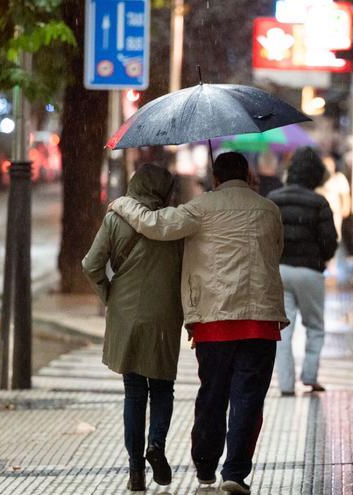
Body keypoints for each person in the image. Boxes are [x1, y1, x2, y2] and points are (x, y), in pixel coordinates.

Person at [110, 152, 288, 495]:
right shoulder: (269, 210)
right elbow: (275, 250)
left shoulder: (200, 208)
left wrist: (123, 204)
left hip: (214, 320)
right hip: (261, 322)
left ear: (215, 178)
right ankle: (234, 473)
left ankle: (205, 468)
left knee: (213, 396)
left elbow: (156, 225)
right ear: (249, 176)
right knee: (248, 399)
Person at [82, 164, 183, 492]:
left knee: (135, 392)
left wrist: (108, 293)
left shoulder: (116, 219)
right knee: (163, 388)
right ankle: (157, 443)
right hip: (165, 313)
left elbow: (91, 264)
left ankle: (135, 470)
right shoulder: (174, 223)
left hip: (126, 311)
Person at [267, 147, 338, 396]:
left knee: (283, 328)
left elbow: (266, 236)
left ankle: (286, 384)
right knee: (315, 326)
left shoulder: (273, 198)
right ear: (315, 176)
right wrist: (320, 259)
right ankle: (309, 376)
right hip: (309, 271)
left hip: (279, 269)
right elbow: (330, 241)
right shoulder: (319, 203)